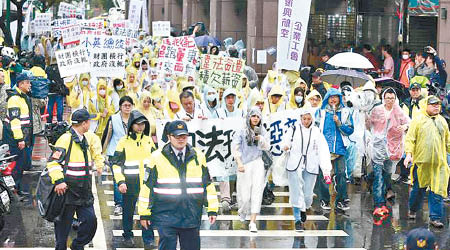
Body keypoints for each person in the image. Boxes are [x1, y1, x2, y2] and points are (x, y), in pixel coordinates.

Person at [138, 120, 219, 250]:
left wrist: (212, 209)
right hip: (166, 214)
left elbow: (207, 184)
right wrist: (144, 213)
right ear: (169, 137)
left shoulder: (198, 156)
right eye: (177, 136)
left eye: (184, 136)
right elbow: (147, 187)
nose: (181, 139)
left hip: (191, 214)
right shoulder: (157, 157)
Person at [46, 109, 104, 250]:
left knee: (91, 222)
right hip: (67, 192)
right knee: (62, 231)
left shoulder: (85, 138)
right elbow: (53, 162)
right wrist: (59, 181)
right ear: (84, 123)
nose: (89, 123)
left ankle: (77, 246)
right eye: (88, 121)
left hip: (84, 191)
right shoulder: (66, 139)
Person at [110, 110, 155, 248]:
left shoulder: (148, 141)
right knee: (128, 211)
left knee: (147, 212)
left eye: (142, 124)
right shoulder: (123, 142)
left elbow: (156, 161)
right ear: (131, 125)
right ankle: (128, 235)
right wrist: (121, 181)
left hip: (146, 184)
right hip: (129, 184)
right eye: (137, 124)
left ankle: (148, 239)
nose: (140, 127)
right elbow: (116, 164)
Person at [282, 109, 332, 231]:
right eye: (304, 118)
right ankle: (297, 219)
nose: (306, 121)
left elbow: (323, 151)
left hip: (311, 165)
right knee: (295, 192)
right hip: (294, 164)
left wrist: (326, 169)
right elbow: (286, 141)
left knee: (308, 194)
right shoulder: (293, 129)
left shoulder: (316, 132)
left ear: (312, 119)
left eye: (308, 119)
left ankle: (304, 207)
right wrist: (286, 146)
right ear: (300, 118)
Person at [404, 96, 449, 228]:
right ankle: (412, 209)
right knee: (418, 189)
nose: (436, 107)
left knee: (437, 190)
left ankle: (435, 218)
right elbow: (410, 139)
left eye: (438, 105)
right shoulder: (418, 120)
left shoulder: (442, 121)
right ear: (426, 105)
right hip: (422, 164)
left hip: (439, 164)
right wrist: (408, 155)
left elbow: (447, 142)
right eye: (433, 105)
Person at [366, 88, 410, 213]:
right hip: (378, 148)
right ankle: (379, 204)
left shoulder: (398, 111)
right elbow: (369, 125)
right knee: (379, 178)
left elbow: (408, 122)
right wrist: (365, 116)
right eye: (387, 98)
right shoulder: (377, 110)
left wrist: (404, 126)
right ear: (383, 98)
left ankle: (370, 179)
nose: (390, 100)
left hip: (392, 149)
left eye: (392, 98)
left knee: (387, 176)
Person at [315, 88, 354, 211]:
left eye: (336, 97)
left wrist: (339, 123)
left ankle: (341, 200)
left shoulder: (346, 112)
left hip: (339, 148)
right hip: (324, 149)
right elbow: (315, 129)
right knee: (324, 175)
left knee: (341, 174)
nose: (333, 99)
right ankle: (324, 200)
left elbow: (350, 130)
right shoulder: (320, 113)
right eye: (331, 97)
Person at [232, 107, 270, 232]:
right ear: (249, 117)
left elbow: (267, 147)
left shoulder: (262, 131)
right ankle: (242, 210)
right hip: (244, 164)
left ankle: (253, 221)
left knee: (257, 192)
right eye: (253, 116)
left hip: (258, 163)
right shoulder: (242, 131)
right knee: (244, 195)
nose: (255, 119)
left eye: (258, 116)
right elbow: (235, 148)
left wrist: (261, 139)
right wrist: (239, 163)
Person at [102, 96, 135, 216]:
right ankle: (118, 204)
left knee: (130, 179)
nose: (127, 108)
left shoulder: (135, 118)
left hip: (131, 153)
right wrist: (102, 152)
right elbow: (108, 135)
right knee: (118, 179)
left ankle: (128, 203)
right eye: (125, 105)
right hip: (115, 154)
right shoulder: (114, 118)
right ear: (120, 107)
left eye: (129, 105)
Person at [4, 73, 33, 197]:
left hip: (22, 137)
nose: (30, 85)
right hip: (15, 139)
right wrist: (20, 139)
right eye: (28, 82)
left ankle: (17, 188)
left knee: (20, 164)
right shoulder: (15, 99)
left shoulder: (23, 97)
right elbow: (15, 122)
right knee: (16, 164)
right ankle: (13, 191)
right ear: (21, 84)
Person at [46, 57, 67, 123]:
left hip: (50, 90)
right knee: (59, 106)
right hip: (58, 90)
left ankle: (49, 121)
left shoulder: (48, 68)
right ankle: (60, 120)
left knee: (50, 106)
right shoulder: (61, 69)